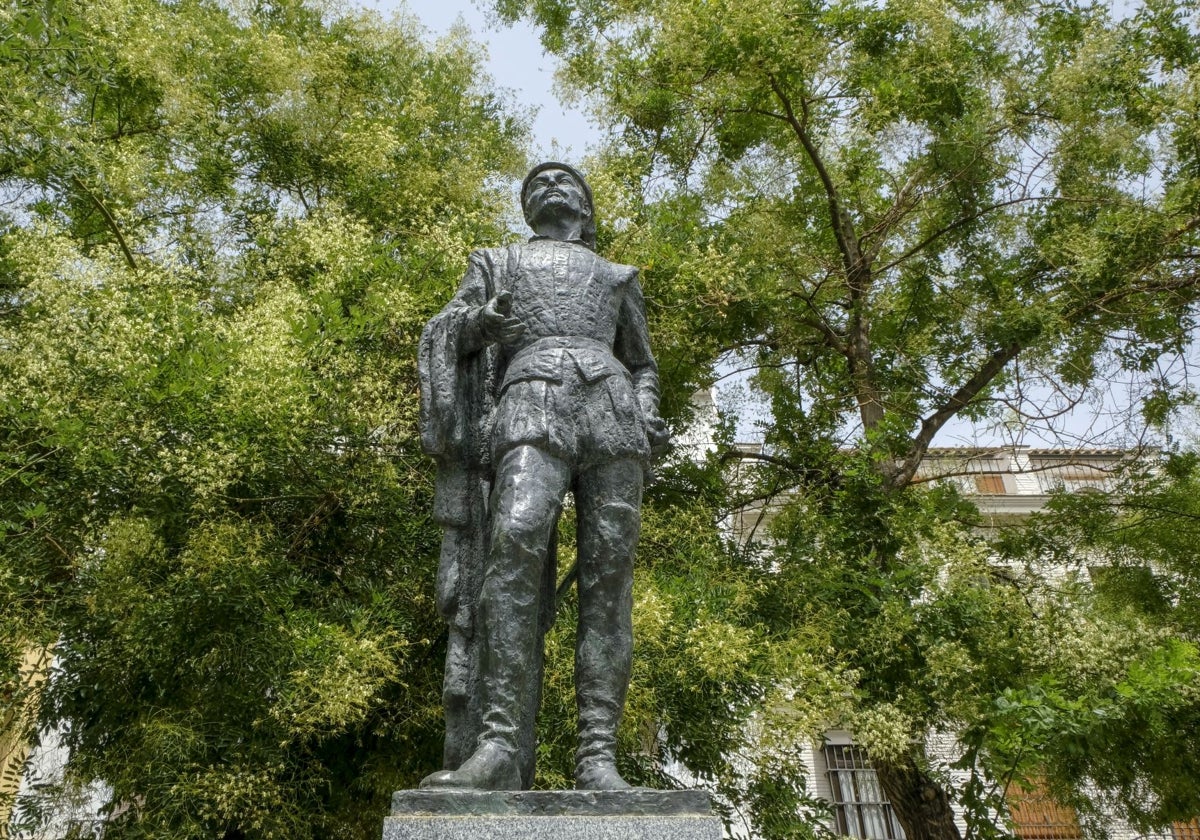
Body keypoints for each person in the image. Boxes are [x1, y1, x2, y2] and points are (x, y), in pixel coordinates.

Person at [417, 162, 667, 791]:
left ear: (585, 205)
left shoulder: (618, 277)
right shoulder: (494, 261)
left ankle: (598, 756)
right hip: (529, 401)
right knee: (514, 545)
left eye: (565, 181)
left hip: (611, 414)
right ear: (526, 208)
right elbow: (446, 329)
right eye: (536, 185)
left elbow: (642, 365)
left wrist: (647, 407)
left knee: (609, 577)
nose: (550, 186)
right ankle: (499, 744)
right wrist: (480, 326)